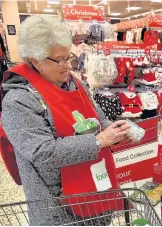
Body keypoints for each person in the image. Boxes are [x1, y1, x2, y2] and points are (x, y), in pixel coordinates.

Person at [0, 16, 136, 225]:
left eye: (68, 57)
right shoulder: (18, 100)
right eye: (59, 60)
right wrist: (99, 141)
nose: (68, 66)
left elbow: (97, 116)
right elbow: (42, 152)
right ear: (35, 60)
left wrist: (115, 132)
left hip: (95, 187)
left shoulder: (75, 82)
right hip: (58, 205)